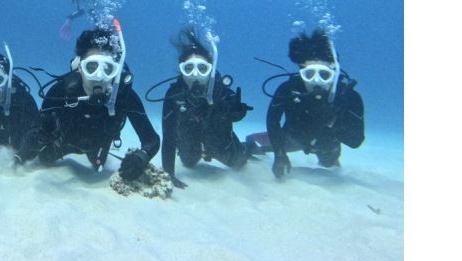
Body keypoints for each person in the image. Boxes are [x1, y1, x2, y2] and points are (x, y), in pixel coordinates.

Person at [16, 22, 160, 181]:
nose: (99, 76)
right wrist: (34, 142)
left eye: (108, 69)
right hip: (63, 143)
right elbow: (34, 131)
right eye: (91, 67)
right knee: (43, 159)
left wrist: (141, 157)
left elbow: (152, 140)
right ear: (79, 67)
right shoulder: (60, 92)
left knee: (99, 167)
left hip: (98, 148)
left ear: (116, 72)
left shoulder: (124, 96)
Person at [258, 28, 365, 179]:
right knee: (251, 146)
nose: (316, 81)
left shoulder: (348, 97)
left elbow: (356, 141)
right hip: (292, 137)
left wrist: (335, 124)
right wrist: (279, 154)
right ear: (301, 70)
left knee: (329, 162)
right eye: (309, 74)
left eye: (324, 74)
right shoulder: (288, 89)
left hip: (326, 144)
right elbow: (272, 120)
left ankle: (329, 155)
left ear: (334, 72)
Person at [156, 29, 252, 189]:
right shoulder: (174, 94)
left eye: (202, 68)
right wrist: (169, 174)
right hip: (189, 145)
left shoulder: (220, 90)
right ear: (181, 70)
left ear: (210, 70)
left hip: (221, 143)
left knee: (239, 162)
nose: (195, 75)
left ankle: (249, 146)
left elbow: (233, 113)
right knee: (187, 163)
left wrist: (236, 111)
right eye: (188, 68)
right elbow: (169, 137)